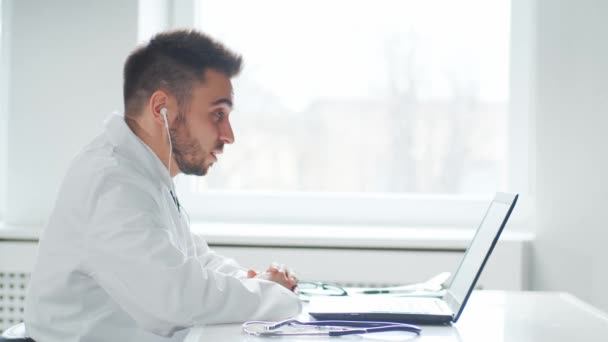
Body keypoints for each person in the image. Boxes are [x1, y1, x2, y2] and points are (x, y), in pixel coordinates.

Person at [24, 29, 301, 342]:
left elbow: (194, 261)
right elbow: (177, 299)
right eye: (217, 114)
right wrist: (271, 295)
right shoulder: (112, 183)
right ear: (160, 110)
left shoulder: (144, 173)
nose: (228, 135)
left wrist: (256, 281)